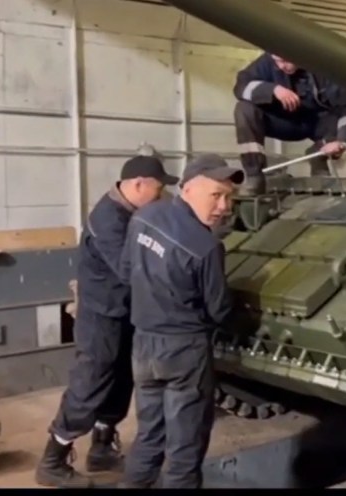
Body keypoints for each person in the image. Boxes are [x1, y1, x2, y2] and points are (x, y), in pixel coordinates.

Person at [35, 155, 179, 488]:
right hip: (101, 315)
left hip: (125, 312)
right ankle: (53, 460)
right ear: (138, 185)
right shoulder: (108, 218)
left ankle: (101, 448)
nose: (161, 197)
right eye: (158, 189)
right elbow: (129, 269)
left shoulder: (134, 213)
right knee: (91, 382)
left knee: (121, 381)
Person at [119, 154, 243, 489]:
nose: (224, 206)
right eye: (216, 195)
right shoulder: (206, 246)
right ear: (187, 189)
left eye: (228, 197)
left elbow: (126, 270)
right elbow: (218, 311)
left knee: (149, 436)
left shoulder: (144, 217)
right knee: (185, 449)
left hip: (143, 345)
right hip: (184, 352)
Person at [232, 52, 346, 194]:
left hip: (319, 123)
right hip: (285, 122)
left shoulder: (324, 67)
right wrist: (273, 89)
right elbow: (241, 87)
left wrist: (343, 142)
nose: (281, 67)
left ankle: (319, 156)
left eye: (286, 60)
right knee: (244, 109)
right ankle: (254, 176)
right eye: (277, 61)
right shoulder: (268, 61)